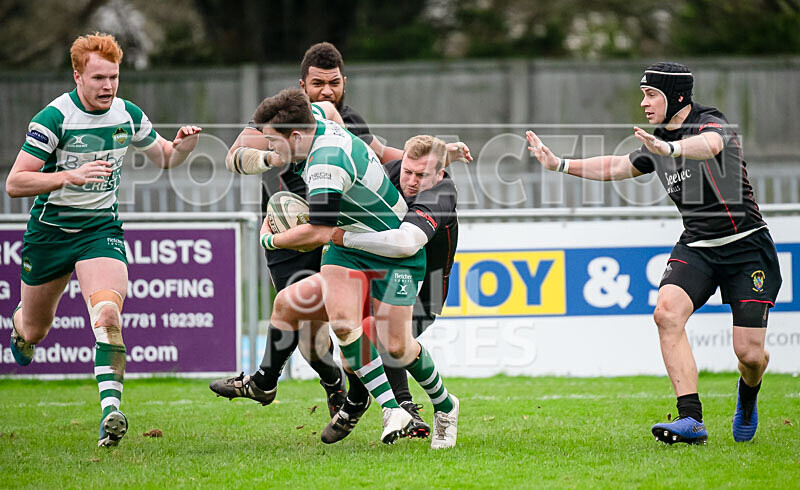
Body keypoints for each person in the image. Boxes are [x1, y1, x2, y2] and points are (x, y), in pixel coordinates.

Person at [210, 42, 469, 423]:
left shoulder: (333, 138)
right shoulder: (287, 119)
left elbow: (383, 160)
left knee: (376, 330)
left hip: (336, 234)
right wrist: (272, 154)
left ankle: (395, 406)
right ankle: (330, 387)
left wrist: (436, 155)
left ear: (343, 83)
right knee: (305, 328)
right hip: (313, 234)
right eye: (318, 84)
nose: (327, 91)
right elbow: (233, 156)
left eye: (334, 83)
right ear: (303, 87)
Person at [526, 61, 780, 445]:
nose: (643, 103)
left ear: (675, 96)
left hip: (746, 247)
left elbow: (711, 145)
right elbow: (615, 165)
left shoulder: (709, 122)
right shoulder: (655, 141)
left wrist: (672, 147)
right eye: (643, 94)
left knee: (749, 354)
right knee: (666, 313)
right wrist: (558, 164)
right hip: (697, 246)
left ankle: (747, 396)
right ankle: (691, 419)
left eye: (650, 94)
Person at [5, 33, 202, 447]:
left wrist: (183, 147)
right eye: (98, 78)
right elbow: (16, 182)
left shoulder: (127, 114)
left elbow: (165, 157)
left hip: (100, 230)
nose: (108, 86)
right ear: (77, 76)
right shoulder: (53, 118)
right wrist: (67, 176)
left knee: (108, 316)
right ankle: (21, 323)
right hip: (50, 233)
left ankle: (111, 413)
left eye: (113, 77)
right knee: (37, 331)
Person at [250, 87, 460, 445]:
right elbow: (325, 109)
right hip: (347, 250)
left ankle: (445, 405)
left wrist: (270, 240)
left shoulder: (326, 165)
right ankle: (392, 409)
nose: (269, 150)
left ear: (297, 136)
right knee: (345, 325)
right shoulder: (313, 121)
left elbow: (322, 232)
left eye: (272, 142)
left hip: (399, 258)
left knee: (396, 346)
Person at [324, 134, 461, 449]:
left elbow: (405, 243)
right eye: (407, 172)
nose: (411, 181)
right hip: (377, 273)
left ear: (440, 174)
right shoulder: (391, 174)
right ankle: (388, 405)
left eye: (421, 175)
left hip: (424, 287)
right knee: (351, 340)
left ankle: (423, 406)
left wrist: (345, 238)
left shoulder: (441, 194)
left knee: (388, 344)